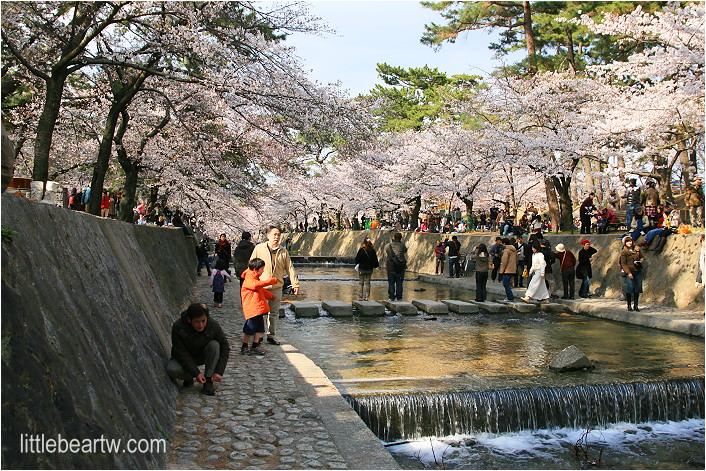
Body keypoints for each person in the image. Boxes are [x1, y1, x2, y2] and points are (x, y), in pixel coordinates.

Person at [250, 225, 299, 345]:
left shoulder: (283, 251)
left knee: (274, 313)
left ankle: (271, 335)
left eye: (278, 234)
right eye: (274, 234)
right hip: (261, 286)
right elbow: (251, 265)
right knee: (261, 312)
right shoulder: (259, 248)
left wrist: (295, 284)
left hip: (277, 287)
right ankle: (259, 334)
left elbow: (290, 268)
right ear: (268, 236)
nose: (276, 237)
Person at [166, 303, 230, 396]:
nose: (201, 325)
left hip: (202, 355)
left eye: (203, 321)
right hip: (184, 357)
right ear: (189, 320)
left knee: (215, 345)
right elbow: (180, 352)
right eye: (197, 322)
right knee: (172, 369)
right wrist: (196, 373)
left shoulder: (213, 325)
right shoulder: (179, 327)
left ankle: (208, 381)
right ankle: (188, 377)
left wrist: (219, 372)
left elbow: (225, 347)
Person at [240, 258, 278, 355]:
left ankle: (255, 345)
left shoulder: (255, 278)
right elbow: (256, 286)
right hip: (252, 309)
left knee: (259, 329)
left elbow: (260, 290)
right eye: (262, 269)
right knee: (249, 329)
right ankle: (245, 346)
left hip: (258, 309)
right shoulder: (249, 278)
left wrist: (270, 296)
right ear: (255, 269)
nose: (263, 271)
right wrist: (270, 281)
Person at [619, 235, 645, 311]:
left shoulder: (637, 249)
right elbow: (623, 263)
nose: (629, 243)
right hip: (630, 271)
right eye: (627, 241)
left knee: (637, 289)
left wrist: (640, 261)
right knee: (629, 289)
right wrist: (628, 273)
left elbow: (642, 257)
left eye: (630, 241)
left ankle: (636, 305)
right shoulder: (624, 252)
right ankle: (629, 305)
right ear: (625, 243)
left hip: (637, 270)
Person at [385, 232, 408, 301]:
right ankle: (399, 297)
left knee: (391, 282)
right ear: (400, 238)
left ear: (394, 237)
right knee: (399, 283)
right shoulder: (402, 245)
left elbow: (387, 252)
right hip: (401, 267)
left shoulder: (388, 246)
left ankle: (391, 297)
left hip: (391, 267)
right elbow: (405, 251)